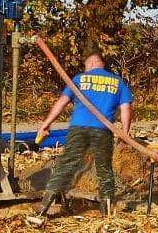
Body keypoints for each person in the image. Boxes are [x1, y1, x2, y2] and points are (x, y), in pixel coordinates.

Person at [32, 50, 133, 220]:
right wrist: (125, 132)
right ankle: (106, 211)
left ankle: (44, 207)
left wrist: (45, 124)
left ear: (92, 63)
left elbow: (61, 103)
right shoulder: (118, 82)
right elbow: (126, 108)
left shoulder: (79, 79)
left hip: (78, 129)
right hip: (103, 130)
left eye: (86, 66)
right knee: (104, 169)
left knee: (66, 165)